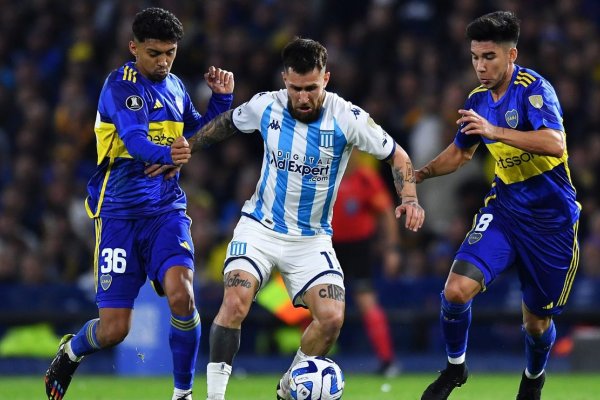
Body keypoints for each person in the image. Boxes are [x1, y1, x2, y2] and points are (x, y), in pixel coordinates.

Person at [166, 37, 424, 400]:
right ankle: (215, 397)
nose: (303, 97)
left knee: (332, 318)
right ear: (284, 79)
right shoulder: (266, 106)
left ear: (326, 79)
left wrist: (409, 198)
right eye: (296, 88)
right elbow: (226, 124)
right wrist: (189, 145)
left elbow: (397, 155)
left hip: (312, 238)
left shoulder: (347, 118)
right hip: (260, 227)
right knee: (236, 300)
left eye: (312, 88)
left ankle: (290, 386)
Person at [44, 7, 234, 400]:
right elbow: (135, 141)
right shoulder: (119, 87)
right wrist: (169, 155)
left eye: (170, 52)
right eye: (154, 53)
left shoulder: (177, 86)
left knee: (183, 294)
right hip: (117, 214)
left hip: (165, 211)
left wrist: (222, 100)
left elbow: (196, 134)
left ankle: (182, 394)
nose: (163, 61)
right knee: (115, 329)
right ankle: (72, 350)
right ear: (134, 48)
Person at [416, 11, 580, 400]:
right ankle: (455, 369)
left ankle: (533, 378)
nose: (480, 66)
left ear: (511, 55)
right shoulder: (476, 100)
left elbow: (555, 144)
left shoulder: (534, 89)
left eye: (488, 56)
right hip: (505, 211)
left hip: (551, 222)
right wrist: (419, 174)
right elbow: (460, 155)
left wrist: (495, 131)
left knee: (536, 324)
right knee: (455, 291)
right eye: (475, 57)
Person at [331, 149, 401, 376]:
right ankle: (314, 359)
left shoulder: (366, 179)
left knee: (366, 302)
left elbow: (386, 213)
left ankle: (387, 361)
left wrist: (391, 249)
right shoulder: (326, 176)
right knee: (318, 304)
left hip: (358, 249)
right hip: (327, 247)